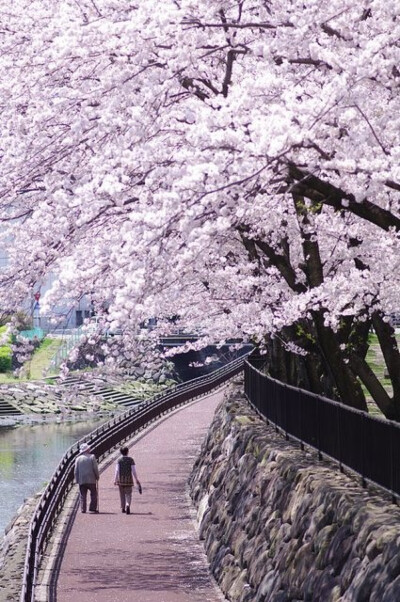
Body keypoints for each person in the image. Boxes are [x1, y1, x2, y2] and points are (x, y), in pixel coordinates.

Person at [114, 446, 142, 515]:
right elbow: (133, 471)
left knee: (122, 494)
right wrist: (136, 479)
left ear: (121, 452)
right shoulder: (131, 460)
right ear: (127, 452)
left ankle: (123, 508)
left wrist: (115, 479)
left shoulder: (119, 460)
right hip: (129, 480)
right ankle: (127, 504)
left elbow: (117, 470)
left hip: (121, 480)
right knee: (128, 494)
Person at [74, 442, 100, 513]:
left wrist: (77, 479)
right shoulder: (92, 457)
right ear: (87, 450)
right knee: (94, 493)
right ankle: (92, 508)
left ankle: (83, 508)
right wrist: (97, 476)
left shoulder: (78, 459)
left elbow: (76, 470)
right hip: (91, 478)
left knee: (83, 495)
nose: (90, 449)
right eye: (89, 448)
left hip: (82, 479)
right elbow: (95, 468)